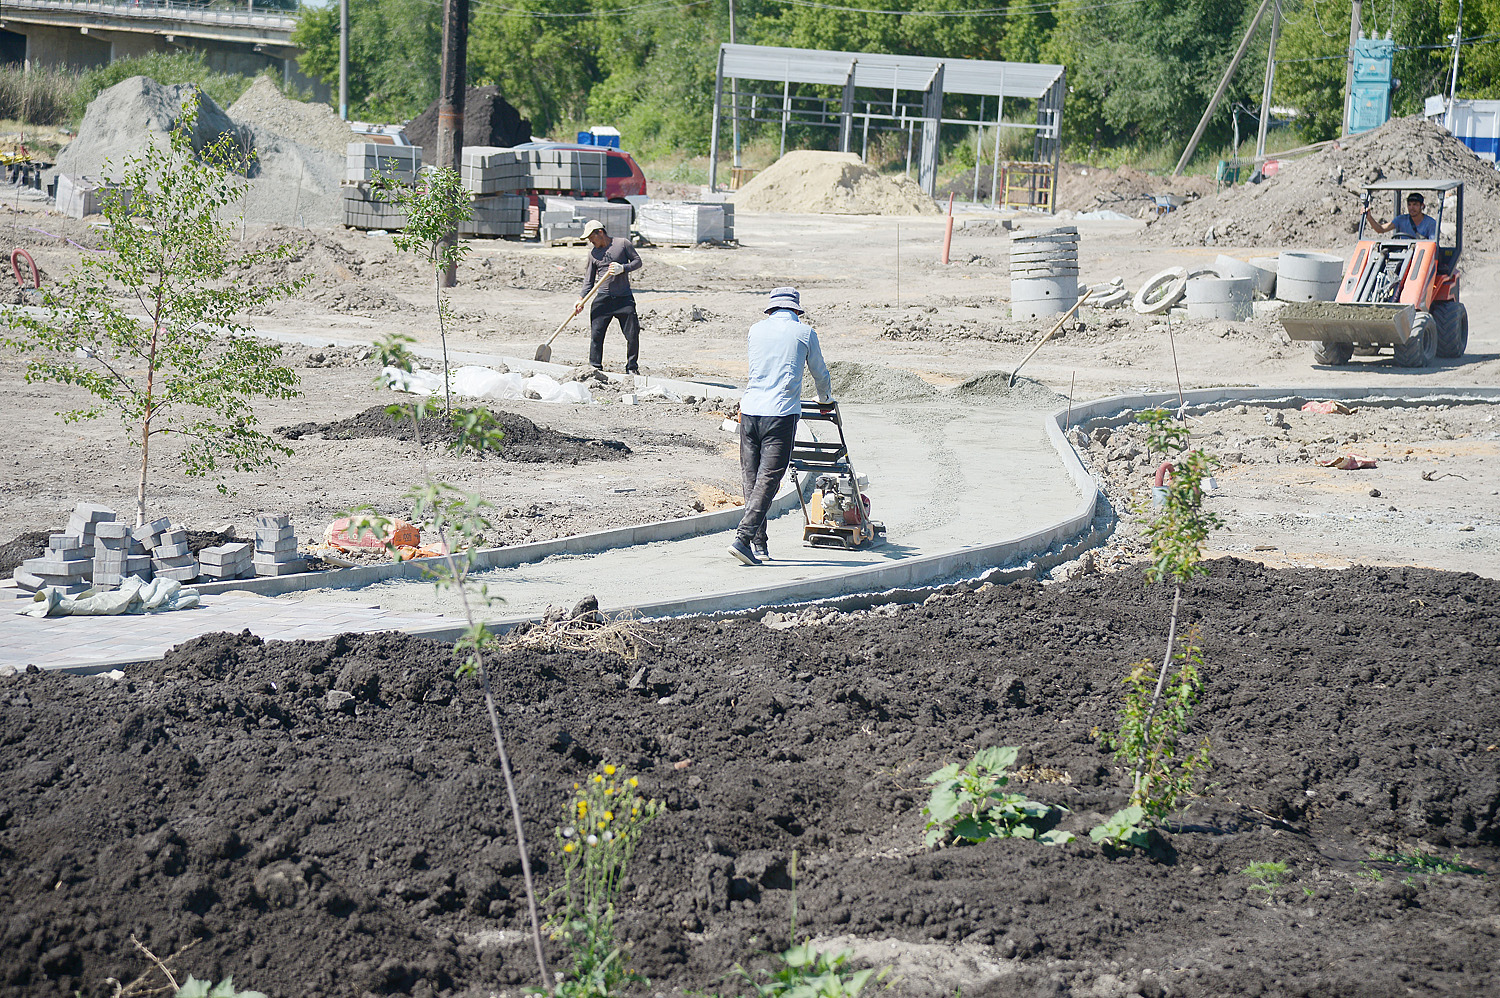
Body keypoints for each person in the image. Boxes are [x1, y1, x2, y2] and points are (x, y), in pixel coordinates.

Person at [728, 287, 834, 567]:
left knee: (751, 478)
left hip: (750, 411)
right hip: (781, 414)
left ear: (772, 309)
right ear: (796, 310)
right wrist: (825, 400)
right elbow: (820, 372)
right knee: (769, 480)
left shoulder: (755, 330)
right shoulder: (805, 333)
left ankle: (758, 544)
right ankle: (743, 537)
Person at [573, 220, 644, 374]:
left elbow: (638, 262)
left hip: (624, 298)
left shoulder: (622, 244)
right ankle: (595, 368)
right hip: (603, 299)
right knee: (596, 336)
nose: (590, 241)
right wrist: (581, 299)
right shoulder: (593, 254)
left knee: (632, 335)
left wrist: (623, 268)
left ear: (600, 232)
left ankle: (632, 368)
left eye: (591, 237)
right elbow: (589, 281)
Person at [1365, 192, 1437, 240]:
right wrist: (1369, 217)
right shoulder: (1401, 220)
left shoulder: (1431, 223)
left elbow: (1432, 245)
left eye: (1415, 204)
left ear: (1422, 206)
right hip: (1403, 254)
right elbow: (1380, 229)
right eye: (1409, 205)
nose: (1411, 208)